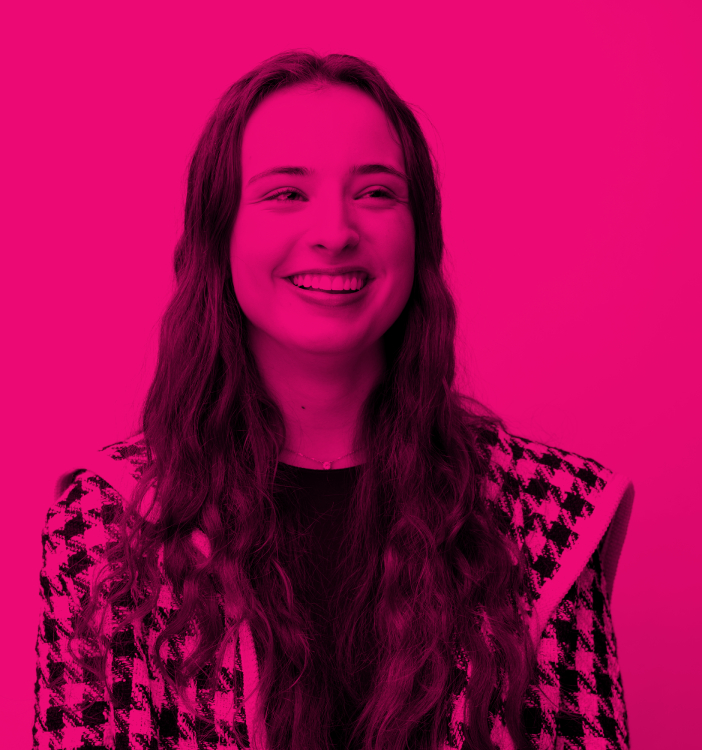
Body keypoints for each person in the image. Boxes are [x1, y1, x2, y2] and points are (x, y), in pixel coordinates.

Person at [32, 50, 634, 750]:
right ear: (219, 233)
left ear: (420, 234)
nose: (335, 233)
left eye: (375, 193)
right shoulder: (107, 524)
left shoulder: (547, 514)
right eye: (286, 194)